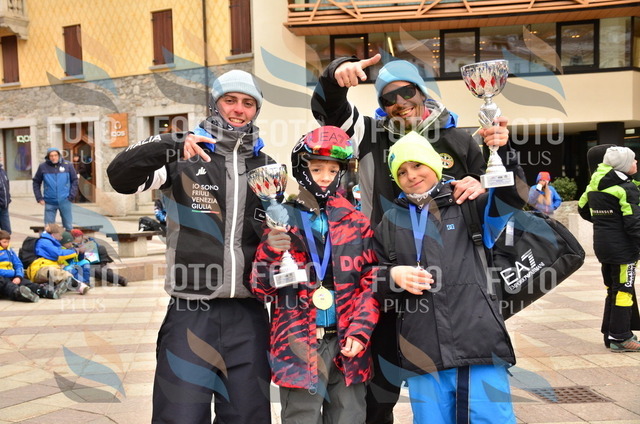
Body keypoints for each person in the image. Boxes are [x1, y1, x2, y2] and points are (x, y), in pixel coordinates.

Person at [312, 54, 510, 423]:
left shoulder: (459, 139)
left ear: (421, 91)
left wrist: (488, 171)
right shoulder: (371, 135)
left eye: (407, 92)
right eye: (388, 98)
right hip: (388, 279)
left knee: (465, 392)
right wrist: (334, 76)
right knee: (379, 391)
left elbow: (500, 196)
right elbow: (331, 114)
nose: (400, 103)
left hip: (454, 290)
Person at [107, 70, 274, 424]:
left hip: (249, 313)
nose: (239, 109)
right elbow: (120, 177)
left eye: (248, 103)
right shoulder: (182, 157)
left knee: (248, 418)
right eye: (230, 100)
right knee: (179, 417)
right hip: (191, 310)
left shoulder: (267, 167)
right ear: (214, 104)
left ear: (256, 110)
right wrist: (171, 142)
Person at [373, 132, 526, 423]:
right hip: (423, 353)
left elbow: (512, 196)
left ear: (434, 163)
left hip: (478, 345)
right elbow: (371, 277)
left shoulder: (469, 202)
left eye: (417, 165)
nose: (411, 175)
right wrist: (392, 275)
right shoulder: (390, 222)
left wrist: (501, 151)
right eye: (401, 171)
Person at [250, 126, 379, 423]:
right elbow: (260, 289)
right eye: (317, 168)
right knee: (301, 418)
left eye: (333, 170)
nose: (324, 177)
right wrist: (270, 250)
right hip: (298, 345)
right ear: (301, 168)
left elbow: (371, 282)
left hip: (348, 344)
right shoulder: (281, 217)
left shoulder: (357, 221)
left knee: (350, 417)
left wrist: (360, 331)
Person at [578, 146, 640, 352]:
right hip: (623, 249)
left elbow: (582, 209)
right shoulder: (626, 188)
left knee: (612, 289)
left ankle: (610, 333)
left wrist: (606, 223)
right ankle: (621, 337)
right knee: (624, 291)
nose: (636, 163)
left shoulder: (594, 184)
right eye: (633, 160)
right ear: (623, 165)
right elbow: (634, 224)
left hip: (603, 246)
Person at [0, 230, 67, 302]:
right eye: (4, 242)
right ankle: (20, 293)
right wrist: (13, 273)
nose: (7, 244)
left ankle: (44, 291)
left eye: (8, 242)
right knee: (8, 285)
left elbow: (18, 264)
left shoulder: (10, 251)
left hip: (13, 276)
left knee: (27, 283)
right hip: (3, 277)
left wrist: (18, 276)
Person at [25, 223, 90, 295]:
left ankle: (69, 285)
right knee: (57, 272)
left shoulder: (52, 242)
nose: (61, 238)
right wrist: (75, 251)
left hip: (48, 267)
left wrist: (79, 252)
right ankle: (78, 286)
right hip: (39, 268)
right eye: (60, 235)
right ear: (54, 234)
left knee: (61, 272)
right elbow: (58, 255)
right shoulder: (44, 242)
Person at [32, 147, 78, 230]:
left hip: (65, 200)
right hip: (49, 201)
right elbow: (36, 182)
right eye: (51, 156)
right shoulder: (43, 167)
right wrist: (39, 198)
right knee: (49, 228)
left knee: (68, 226)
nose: (54, 157)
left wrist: (71, 196)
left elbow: (74, 180)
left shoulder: (68, 165)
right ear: (48, 157)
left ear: (59, 155)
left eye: (55, 155)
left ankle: (68, 238)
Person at [0, 153, 12, 233]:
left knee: (7, 232)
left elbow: (7, 186)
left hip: (4, 206)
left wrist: (8, 198)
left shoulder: (3, 172)